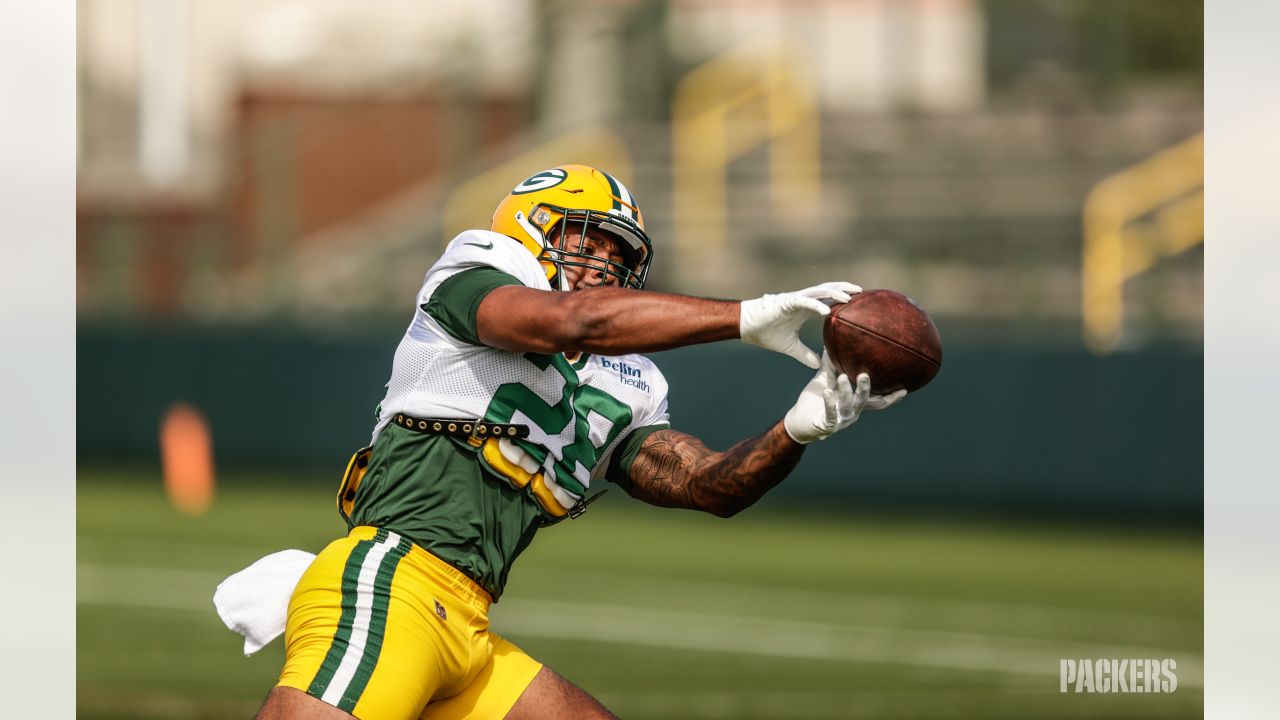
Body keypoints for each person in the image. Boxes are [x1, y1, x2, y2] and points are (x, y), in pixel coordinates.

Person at [254, 164, 906, 719]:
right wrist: (745, 314)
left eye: (621, 260)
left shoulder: (629, 381)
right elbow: (575, 321)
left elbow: (706, 485)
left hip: (467, 623)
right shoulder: (478, 266)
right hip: (391, 582)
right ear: (531, 227)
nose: (606, 266)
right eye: (591, 244)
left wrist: (797, 428)